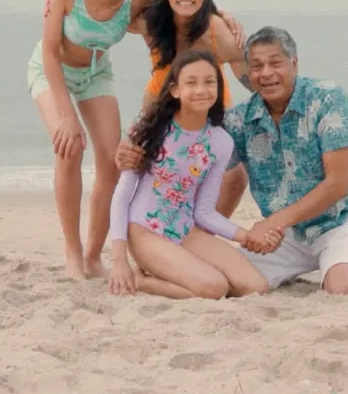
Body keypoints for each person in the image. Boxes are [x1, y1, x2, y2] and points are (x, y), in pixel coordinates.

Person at [28, 0, 244, 281]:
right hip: (52, 72)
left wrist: (221, 14)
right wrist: (66, 117)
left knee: (113, 161)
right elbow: (49, 53)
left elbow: (182, 2)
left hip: (96, 74)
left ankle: (94, 256)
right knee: (69, 146)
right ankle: (73, 252)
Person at [115, 26, 348, 295]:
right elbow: (188, 158)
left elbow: (338, 184)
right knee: (237, 285)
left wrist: (273, 222)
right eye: (257, 66)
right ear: (248, 73)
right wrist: (127, 153)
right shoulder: (238, 122)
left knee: (345, 289)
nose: (266, 73)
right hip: (287, 235)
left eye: (275, 63)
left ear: (294, 64)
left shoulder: (327, 99)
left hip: (343, 220)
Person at [108, 49, 277, 299]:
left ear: (218, 88)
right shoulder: (150, 131)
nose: (201, 90)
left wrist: (246, 236)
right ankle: (142, 280)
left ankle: (176, 273)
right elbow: (121, 198)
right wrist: (119, 259)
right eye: (191, 82)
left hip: (185, 229)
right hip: (144, 230)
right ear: (175, 90)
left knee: (255, 286)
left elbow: (204, 212)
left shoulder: (220, 142)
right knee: (215, 287)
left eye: (209, 82)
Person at [129, 0, 251, 219]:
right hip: (159, 107)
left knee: (235, 176)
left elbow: (255, 78)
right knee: (148, 171)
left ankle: (204, 229)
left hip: (209, 110)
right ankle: (154, 226)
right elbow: (110, 12)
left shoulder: (217, 31)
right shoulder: (153, 23)